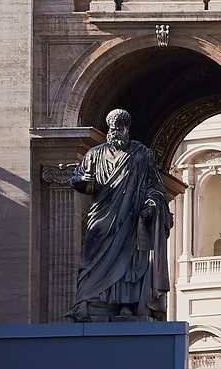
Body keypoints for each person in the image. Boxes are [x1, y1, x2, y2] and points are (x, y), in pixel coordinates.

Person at [69, 109, 171, 319]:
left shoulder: (141, 154)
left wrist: (152, 204)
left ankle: (126, 303)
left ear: (127, 129)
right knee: (91, 258)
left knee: (128, 260)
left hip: (130, 219)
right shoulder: (94, 154)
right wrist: (82, 182)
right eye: (113, 129)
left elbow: (155, 187)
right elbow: (76, 178)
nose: (116, 133)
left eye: (120, 129)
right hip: (101, 218)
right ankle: (86, 301)